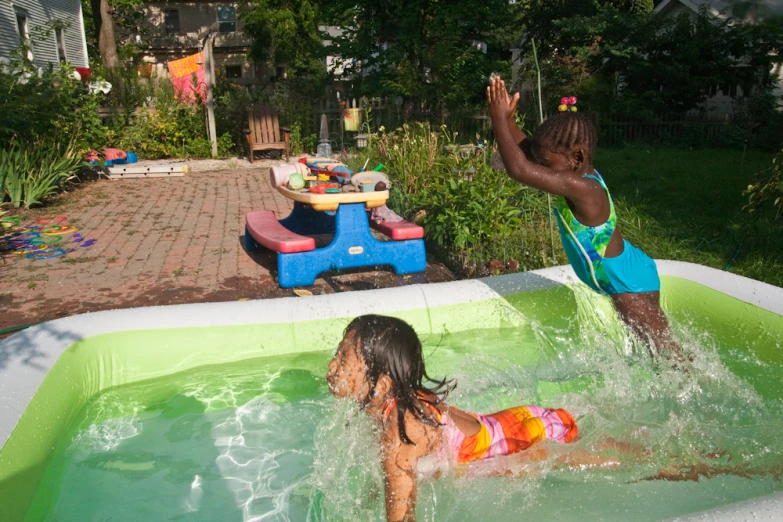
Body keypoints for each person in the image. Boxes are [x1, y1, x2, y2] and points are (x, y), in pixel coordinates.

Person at [486, 76, 682, 359]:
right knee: (648, 354)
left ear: (576, 158)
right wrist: (509, 120)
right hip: (626, 270)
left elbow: (519, 169)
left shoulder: (584, 189)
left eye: (547, 163)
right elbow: (527, 154)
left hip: (628, 284)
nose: (542, 168)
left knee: (668, 356)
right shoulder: (575, 175)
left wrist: (497, 120)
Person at [326, 315, 580, 522]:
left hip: (525, 438)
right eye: (337, 354)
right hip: (509, 423)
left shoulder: (401, 431)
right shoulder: (388, 404)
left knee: (600, 458)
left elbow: (403, 516)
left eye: (343, 359)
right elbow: (382, 479)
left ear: (381, 385)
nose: (331, 366)